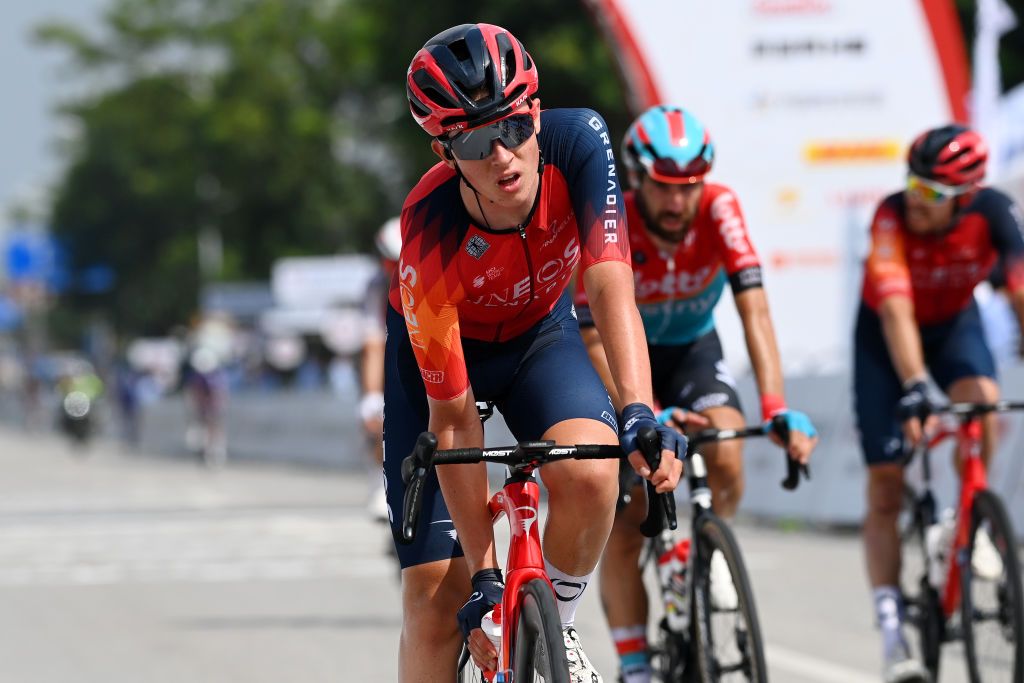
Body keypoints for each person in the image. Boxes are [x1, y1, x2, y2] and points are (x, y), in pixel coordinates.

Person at [387, 23, 685, 683]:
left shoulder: (580, 142)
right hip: (442, 369)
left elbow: (611, 286)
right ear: (444, 149)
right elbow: (455, 417)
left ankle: (560, 628)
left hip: (537, 340)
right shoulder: (428, 229)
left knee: (592, 472)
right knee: (437, 603)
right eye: (473, 139)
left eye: (516, 127)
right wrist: (486, 578)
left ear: (537, 113)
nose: (503, 155)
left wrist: (638, 408)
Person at [575, 105, 818, 683]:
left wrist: (777, 405)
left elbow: (754, 308)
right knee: (632, 510)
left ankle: (704, 551)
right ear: (637, 179)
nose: (679, 202)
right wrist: (643, 412)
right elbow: (590, 335)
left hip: (691, 350)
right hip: (619, 355)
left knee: (728, 451)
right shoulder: (612, 217)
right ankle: (634, 664)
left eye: (690, 187)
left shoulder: (721, 208)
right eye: (665, 187)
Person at [854, 124, 1024, 682]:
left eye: (931, 193)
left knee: (985, 402)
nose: (915, 200)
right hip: (886, 338)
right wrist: (916, 383)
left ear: (965, 198)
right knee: (885, 483)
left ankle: (966, 516)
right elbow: (896, 307)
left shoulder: (993, 214)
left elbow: (1020, 288)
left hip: (954, 326)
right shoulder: (891, 215)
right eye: (912, 184)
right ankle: (892, 633)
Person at [359, 217, 401, 522]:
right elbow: (374, 346)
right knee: (381, 420)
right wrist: (372, 398)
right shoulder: (376, 286)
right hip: (395, 354)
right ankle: (381, 482)